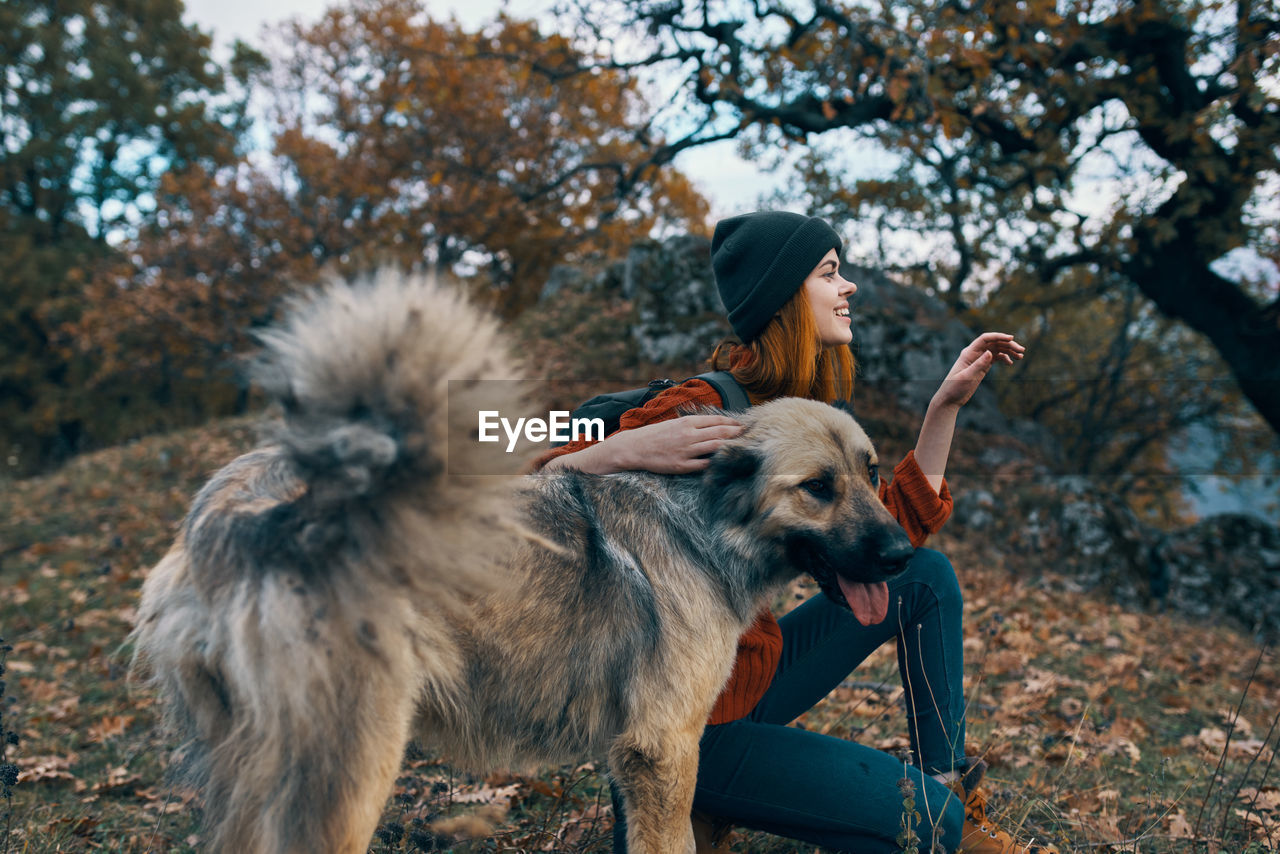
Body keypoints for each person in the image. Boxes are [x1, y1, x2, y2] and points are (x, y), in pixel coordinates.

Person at [536, 211, 1056, 854]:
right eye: (831, 272)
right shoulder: (697, 410)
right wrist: (617, 450)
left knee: (924, 578)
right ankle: (704, 802)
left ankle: (948, 786)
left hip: (749, 679)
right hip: (683, 724)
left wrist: (943, 406)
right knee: (923, 826)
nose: (850, 287)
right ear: (784, 297)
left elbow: (885, 539)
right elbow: (510, 474)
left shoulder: (802, 412)